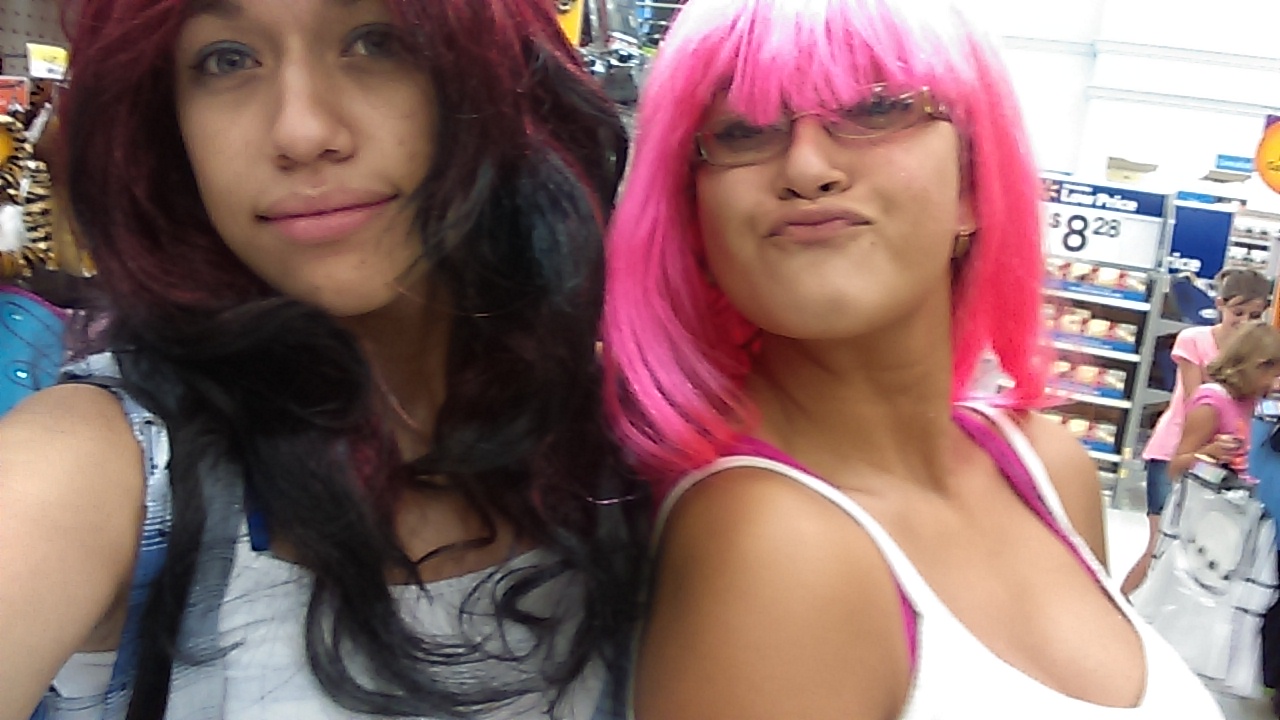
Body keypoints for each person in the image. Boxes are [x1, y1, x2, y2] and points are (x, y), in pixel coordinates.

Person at [0, 0, 646, 718]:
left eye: (377, 42)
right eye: (227, 59)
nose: (302, 133)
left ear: (506, 80)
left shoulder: (634, 446)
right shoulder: (97, 466)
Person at [601, 0, 1225, 717]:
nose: (806, 167)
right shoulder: (771, 542)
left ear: (973, 182)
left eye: (875, 109)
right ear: (693, 211)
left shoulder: (1046, 469)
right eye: (742, 131)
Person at [1121, 267, 1271, 595]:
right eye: (1238, 313)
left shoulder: (1261, 352)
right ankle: (1116, 607)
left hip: (1220, 463)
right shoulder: (1195, 340)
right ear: (1220, 304)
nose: (1245, 322)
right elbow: (1196, 399)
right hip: (1173, 449)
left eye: (1254, 315)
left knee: (1195, 554)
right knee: (1160, 546)